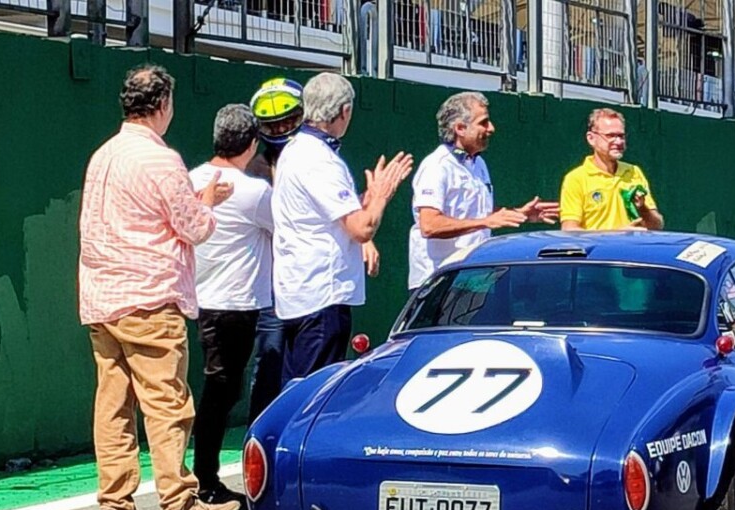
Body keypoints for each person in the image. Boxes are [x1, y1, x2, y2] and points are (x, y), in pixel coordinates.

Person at [78, 64, 241, 510]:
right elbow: (194, 227)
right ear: (164, 105)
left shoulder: (103, 155)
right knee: (167, 400)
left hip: (102, 296)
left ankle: (116, 504)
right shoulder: (161, 159)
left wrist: (195, 198)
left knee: (113, 404)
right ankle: (179, 502)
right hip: (150, 294)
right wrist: (207, 202)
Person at [271, 72, 413, 381]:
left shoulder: (296, 150)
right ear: (344, 112)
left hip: (302, 292)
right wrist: (382, 195)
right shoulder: (319, 159)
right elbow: (362, 228)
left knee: (300, 387)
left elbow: (329, 212)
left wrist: (368, 197)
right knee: (314, 393)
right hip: (322, 295)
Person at [188, 104, 274, 510]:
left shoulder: (192, 178)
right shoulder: (254, 190)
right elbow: (284, 223)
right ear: (251, 143)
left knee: (221, 388)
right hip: (234, 303)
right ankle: (205, 478)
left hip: (206, 299)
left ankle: (205, 475)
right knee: (221, 390)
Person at [408, 91, 559, 290]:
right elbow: (429, 224)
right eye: (484, 123)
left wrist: (518, 214)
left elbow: (475, 213)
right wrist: (485, 222)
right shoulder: (437, 166)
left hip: (475, 277)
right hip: (441, 280)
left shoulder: (478, 163)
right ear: (460, 128)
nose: (491, 129)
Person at [559, 108, 664, 232]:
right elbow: (569, 230)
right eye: (610, 136)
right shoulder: (576, 179)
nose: (618, 141)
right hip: (599, 251)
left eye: (621, 136)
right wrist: (618, 234)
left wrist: (643, 209)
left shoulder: (634, 172)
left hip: (633, 250)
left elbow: (657, 226)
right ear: (591, 138)